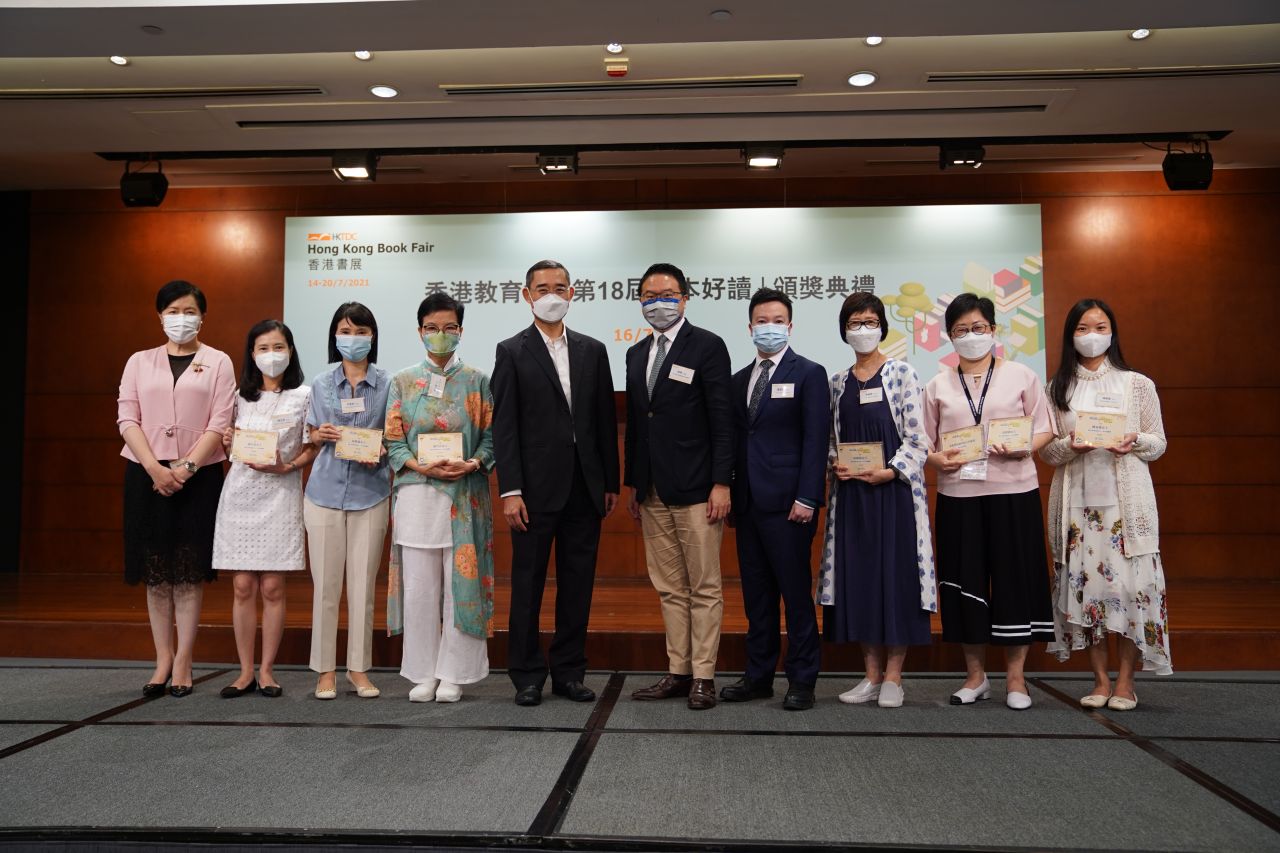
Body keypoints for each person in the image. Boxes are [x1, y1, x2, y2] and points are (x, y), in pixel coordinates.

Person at [492, 260, 620, 707]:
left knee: (577, 584)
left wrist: (610, 481)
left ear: (572, 293)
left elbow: (604, 419)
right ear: (526, 295)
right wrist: (510, 490)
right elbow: (504, 426)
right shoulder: (511, 351)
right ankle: (527, 675)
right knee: (527, 584)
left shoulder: (593, 350)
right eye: (542, 288)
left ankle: (569, 672)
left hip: (585, 487)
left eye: (560, 287)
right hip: (532, 491)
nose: (552, 295)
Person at [923, 293, 1054, 710]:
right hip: (958, 495)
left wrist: (1025, 448)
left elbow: (1044, 428)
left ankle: (1016, 679)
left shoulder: (1021, 375)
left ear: (993, 330)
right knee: (965, 583)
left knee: (1016, 580)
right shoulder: (937, 384)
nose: (971, 336)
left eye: (978, 327)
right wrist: (935, 459)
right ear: (950, 337)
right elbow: (923, 440)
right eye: (961, 330)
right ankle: (975, 677)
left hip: (1014, 492)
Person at [1040, 299, 1171, 710]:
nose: (1092, 335)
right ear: (1071, 335)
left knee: (1131, 592)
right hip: (1078, 510)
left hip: (1126, 511)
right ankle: (1099, 680)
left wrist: (1135, 441)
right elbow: (1048, 452)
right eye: (1082, 328)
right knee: (1087, 593)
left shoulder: (1137, 384)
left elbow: (1158, 443)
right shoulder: (1057, 387)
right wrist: (1070, 446)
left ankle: (1126, 682)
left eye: (1099, 327)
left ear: (1112, 332)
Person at [117, 280, 235, 698]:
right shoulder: (139, 361)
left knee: (187, 573)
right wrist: (154, 467)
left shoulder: (218, 361)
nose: (180, 318)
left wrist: (184, 469)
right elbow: (127, 418)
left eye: (189, 311)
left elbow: (220, 421)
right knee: (156, 574)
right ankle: (162, 658)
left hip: (198, 477)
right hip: (145, 474)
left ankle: (184, 659)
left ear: (202, 317)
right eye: (172, 311)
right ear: (160, 316)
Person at [624, 263, 733, 710]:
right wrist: (634, 484)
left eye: (667, 295)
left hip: (698, 489)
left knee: (703, 587)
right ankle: (678, 671)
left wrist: (721, 483)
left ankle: (704, 676)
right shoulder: (636, 353)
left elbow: (723, 420)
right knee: (669, 588)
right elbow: (638, 424)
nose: (658, 303)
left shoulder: (707, 345)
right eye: (649, 296)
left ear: (685, 298)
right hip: (652, 491)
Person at [820, 293, 936, 709]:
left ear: (882, 327)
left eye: (870, 322)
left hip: (894, 495)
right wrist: (836, 464)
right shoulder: (837, 382)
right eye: (855, 323)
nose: (863, 329)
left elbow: (919, 441)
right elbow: (832, 441)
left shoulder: (902, 373)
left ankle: (894, 677)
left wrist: (890, 471)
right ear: (844, 330)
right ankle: (870, 674)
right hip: (852, 498)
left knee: (896, 580)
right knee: (860, 581)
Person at [384, 293, 496, 703]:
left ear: (460, 331)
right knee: (419, 589)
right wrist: (420, 466)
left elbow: (492, 437)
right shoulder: (402, 381)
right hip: (417, 494)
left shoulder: (478, 380)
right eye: (432, 328)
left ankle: (455, 672)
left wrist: (473, 463)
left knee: (459, 586)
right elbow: (393, 441)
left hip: (464, 496)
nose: (440, 334)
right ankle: (423, 672)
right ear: (420, 332)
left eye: (449, 327)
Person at [721, 288, 827, 711]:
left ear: (790, 326)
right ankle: (758, 675)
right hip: (747, 504)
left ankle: (802, 679)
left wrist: (808, 497)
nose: (770, 327)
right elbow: (735, 439)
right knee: (757, 596)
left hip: (790, 505)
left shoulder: (809, 373)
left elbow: (816, 440)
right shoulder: (738, 379)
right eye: (762, 321)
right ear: (750, 328)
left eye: (777, 321)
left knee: (795, 595)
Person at [212, 320, 316, 698]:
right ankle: (244, 672)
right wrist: (227, 441)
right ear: (252, 354)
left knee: (272, 586)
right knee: (242, 585)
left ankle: (268, 670)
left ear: (290, 351)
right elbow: (227, 444)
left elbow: (312, 445)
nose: (271, 355)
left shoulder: (305, 395)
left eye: (278, 347)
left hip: (280, 493)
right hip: (240, 494)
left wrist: (289, 466)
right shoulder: (239, 396)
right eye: (263, 348)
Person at [304, 302, 392, 700]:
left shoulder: (389, 383)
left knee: (362, 587)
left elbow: (396, 436)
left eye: (361, 332)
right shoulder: (320, 382)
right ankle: (325, 670)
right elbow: (308, 435)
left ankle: (358, 668)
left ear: (372, 337)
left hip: (371, 493)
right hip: (324, 493)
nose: (352, 339)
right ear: (334, 336)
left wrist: (381, 447)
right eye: (345, 331)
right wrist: (317, 435)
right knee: (325, 587)